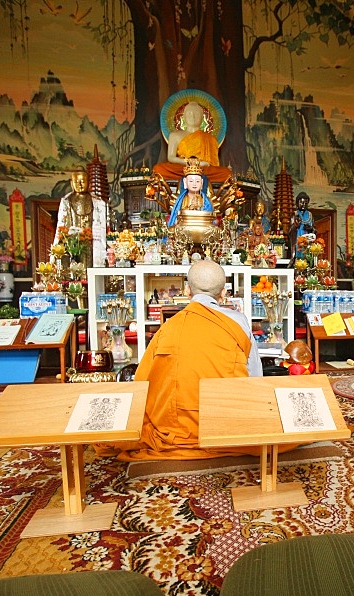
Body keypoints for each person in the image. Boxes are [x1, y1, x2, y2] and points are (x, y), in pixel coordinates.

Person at [94, 260, 288, 462]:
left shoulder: (169, 328)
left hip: (173, 427)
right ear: (223, 293)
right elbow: (254, 378)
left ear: (187, 290)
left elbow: (143, 380)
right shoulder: (237, 322)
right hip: (226, 423)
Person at [153, 100, 232, 183]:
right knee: (158, 169)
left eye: (197, 114)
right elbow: (171, 157)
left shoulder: (210, 138)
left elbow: (213, 163)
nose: (193, 117)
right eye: (189, 114)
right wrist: (190, 163)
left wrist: (202, 164)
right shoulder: (175, 135)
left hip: (204, 170)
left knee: (226, 173)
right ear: (184, 117)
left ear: (202, 117)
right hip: (183, 169)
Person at [57, 169, 109, 267]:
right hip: (73, 242)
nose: (80, 185)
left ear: (89, 184)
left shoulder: (97, 202)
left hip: (91, 241)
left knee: (90, 264)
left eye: (83, 182)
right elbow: (62, 225)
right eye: (76, 182)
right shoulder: (67, 201)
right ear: (71, 184)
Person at [289, 192, 315, 256]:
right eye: (302, 202)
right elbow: (290, 231)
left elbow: (315, 230)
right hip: (298, 240)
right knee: (298, 255)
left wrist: (311, 228)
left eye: (306, 203)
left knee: (308, 256)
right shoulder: (295, 214)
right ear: (297, 203)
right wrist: (295, 226)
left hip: (308, 240)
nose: (304, 205)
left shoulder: (310, 215)